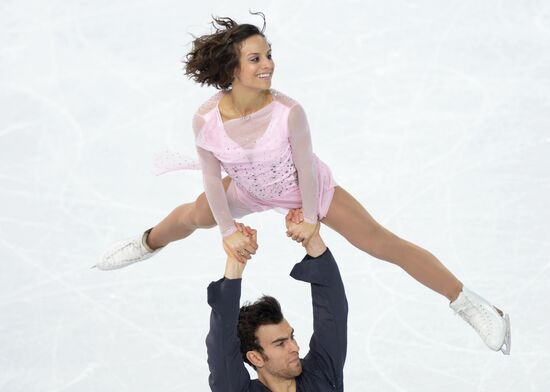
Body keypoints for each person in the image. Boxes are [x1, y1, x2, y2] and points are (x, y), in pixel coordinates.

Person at [96, 13, 511, 355]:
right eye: (255, 59)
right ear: (232, 69)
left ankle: (474, 305)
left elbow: (307, 169)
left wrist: (310, 218)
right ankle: (147, 242)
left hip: (304, 190)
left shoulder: (288, 111)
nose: (268, 65)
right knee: (193, 216)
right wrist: (226, 231)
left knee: (382, 243)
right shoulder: (205, 118)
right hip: (246, 189)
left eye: (269, 56)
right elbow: (209, 176)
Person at [206, 209, 347, 391]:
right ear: (256, 357)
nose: (294, 347)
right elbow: (221, 347)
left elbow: (333, 312)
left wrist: (312, 240)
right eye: (281, 343)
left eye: (291, 337)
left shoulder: (321, 373)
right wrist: (235, 262)